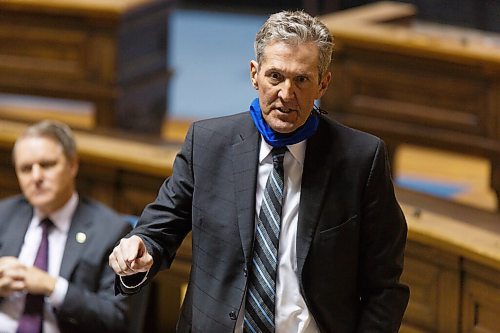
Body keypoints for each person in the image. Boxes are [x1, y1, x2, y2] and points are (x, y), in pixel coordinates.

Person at [109, 10, 409, 333]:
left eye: (302, 79)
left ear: (323, 83)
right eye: (275, 76)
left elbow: (385, 286)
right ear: (255, 75)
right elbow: (160, 229)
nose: (286, 94)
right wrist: (139, 247)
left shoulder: (361, 159)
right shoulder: (208, 144)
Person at [0, 120, 134, 333]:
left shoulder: (111, 231)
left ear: (72, 165)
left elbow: (116, 319)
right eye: (26, 169)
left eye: (47, 165)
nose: (36, 177)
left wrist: (52, 286)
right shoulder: (4, 215)